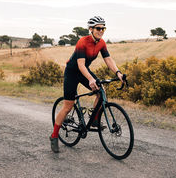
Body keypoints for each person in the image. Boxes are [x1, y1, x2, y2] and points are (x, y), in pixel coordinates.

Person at [50, 16, 124, 153]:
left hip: (84, 71)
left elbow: (108, 59)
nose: (101, 31)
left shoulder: (101, 43)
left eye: (103, 28)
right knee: (68, 106)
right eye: (98, 28)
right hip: (73, 73)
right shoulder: (82, 42)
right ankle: (54, 136)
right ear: (91, 29)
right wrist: (91, 79)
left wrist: (118, 73)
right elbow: (81, 65)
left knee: (101, 91)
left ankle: (94, 119)